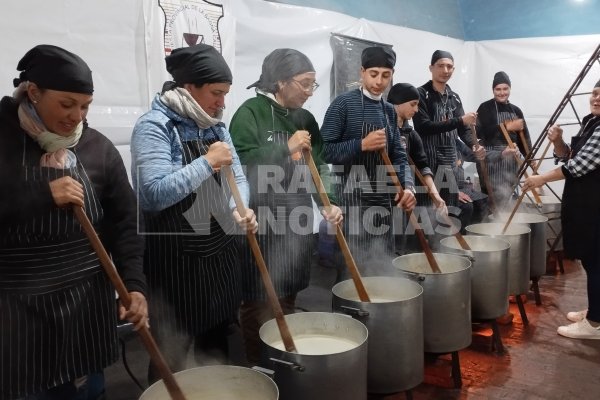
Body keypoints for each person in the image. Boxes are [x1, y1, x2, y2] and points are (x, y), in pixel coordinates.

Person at [0, 44, 148, 400]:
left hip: (86, 307)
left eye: (85, 106)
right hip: (18, 312)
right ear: (33, 92)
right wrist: (41, 193)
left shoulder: (97, 148)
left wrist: (134, 284)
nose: (77, 116)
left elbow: (125, 220)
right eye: (66, 104)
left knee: (88, 392)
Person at [130, 44, 257, 379]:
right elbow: (152, 194)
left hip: (219, 257)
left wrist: (239, 207)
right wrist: (207, 162)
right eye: (216, 93)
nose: (222, 103)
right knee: (172, 356)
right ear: (189, 88)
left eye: (225, 94)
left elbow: (238, 177)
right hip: (176, 266)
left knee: (215, 347)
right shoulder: (156, 126)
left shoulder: (216, 126)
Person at [229, 48, 343, 365]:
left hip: (296, 219)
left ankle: (286, 362)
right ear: (281, 82)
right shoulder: (250, 112)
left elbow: (317, 166)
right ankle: (260, 367)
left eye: (313, 85)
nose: (309, 92)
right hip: (260, 220)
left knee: (289, 293)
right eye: (305, 84)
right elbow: (237, 163)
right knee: (259, 299)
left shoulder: (305, 119)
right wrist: (285, 146)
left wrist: (328, 203)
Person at [321, 46, 416, 278]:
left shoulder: (389, 111)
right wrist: (360, 145)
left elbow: (398, 156)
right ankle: (346, 314)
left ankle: (378, 314)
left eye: (386, 75)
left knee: (381, 267)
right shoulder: (342, 105)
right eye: (373, 74)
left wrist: (408, 185)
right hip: (350, 203)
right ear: (362, 72)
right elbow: (324, 151)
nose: (379, 81)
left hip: (383, 203)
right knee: (351, 270)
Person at [523, 78, 600, 340]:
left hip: (594, 205)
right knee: (592, 261)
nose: (596, 99)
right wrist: (558, 142)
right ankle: (596, 311)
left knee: (596, 260)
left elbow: (576, 168)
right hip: (586, 202)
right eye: (595, 93)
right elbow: (569, 157)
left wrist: (540, 179)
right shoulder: (591, 121)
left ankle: (595, 325)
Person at [412, 50, 485, 213]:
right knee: (430, 213)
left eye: (449, 67)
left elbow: (464, 130)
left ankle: (449, 240)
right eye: (441, 66)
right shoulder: (421, 94)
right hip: (429, 165)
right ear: (431, 68)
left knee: (453, 212)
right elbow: (423, 127)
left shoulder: (454, 97)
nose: (445, 70)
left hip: (451, 166)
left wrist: (474, 145)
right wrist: (460, 120)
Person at [387, 82, 447, 253]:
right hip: (381, 197)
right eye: (413, 104)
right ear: (398, 103)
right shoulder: (381, 130)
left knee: (401, 246)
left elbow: (423, 167)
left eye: (418, 104)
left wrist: (436, 196)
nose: (416, 109)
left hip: (406, 197)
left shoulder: (411, 135)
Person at [476, 71, 533, 210]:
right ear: (493, 90)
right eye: (498, 89)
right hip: (491, 160)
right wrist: (507, 126)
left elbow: (524, 137)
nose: (502, 92)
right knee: (492, 200)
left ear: (510, 89)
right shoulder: (485, 107)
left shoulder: (516, 111)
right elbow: (479, 133)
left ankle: (505, 224)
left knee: (509, 197)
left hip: (511, 161)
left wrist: (530, 159)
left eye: (505, 89)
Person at [453, 138, 489, 233]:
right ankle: (460, 237)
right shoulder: (435, 142)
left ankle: (475, 235)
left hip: (463, 185)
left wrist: (472, 183)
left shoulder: (456, 142)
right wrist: (454, 191)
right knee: (467, 206)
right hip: (446, 188)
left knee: (482, 200)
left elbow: (470, 157)